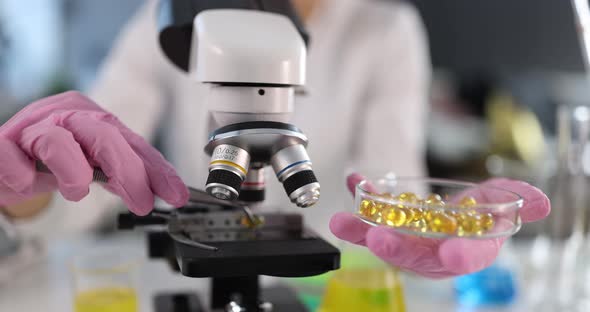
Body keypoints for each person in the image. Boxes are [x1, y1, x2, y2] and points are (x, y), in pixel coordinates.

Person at [0, 0, 549, 278]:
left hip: (328, 286)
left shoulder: (385, 29)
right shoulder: (164, 19)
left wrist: (430, 222)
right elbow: (96, 171)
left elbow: (383, 181)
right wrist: (28, 190)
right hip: (199, 257)